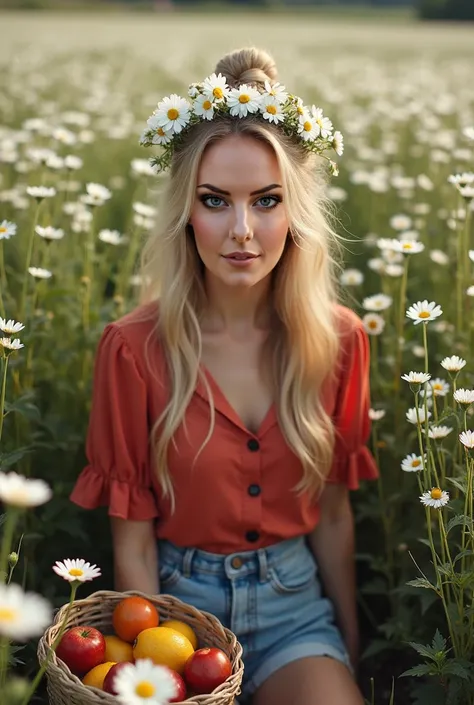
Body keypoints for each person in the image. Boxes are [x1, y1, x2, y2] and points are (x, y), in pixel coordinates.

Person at [70, 46, 378, 705]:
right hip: (176, 610)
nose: (242, 231)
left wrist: (350, 651)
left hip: (295, 609)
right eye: (216, 201)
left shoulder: (341, 339)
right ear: (187, 210)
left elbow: (331, 513)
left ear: (294, 211)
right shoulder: (132, 348)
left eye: (266, 201)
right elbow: (133, 541)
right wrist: (150, 655)